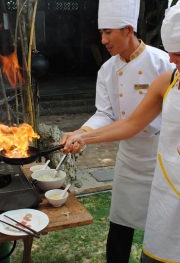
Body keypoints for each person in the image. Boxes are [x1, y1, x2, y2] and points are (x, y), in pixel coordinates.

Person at [62, 3, 180, 262]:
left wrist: (85, 136)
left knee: (162, 225)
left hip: (159, 157)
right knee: (120, 224)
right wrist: (81, 132)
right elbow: (108, 115)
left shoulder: (162, 62)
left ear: (128, 30)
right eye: (101, 33)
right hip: (129, 157)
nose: (103, 40)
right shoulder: (107, 70)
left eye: (108, 32)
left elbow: (142, 121)